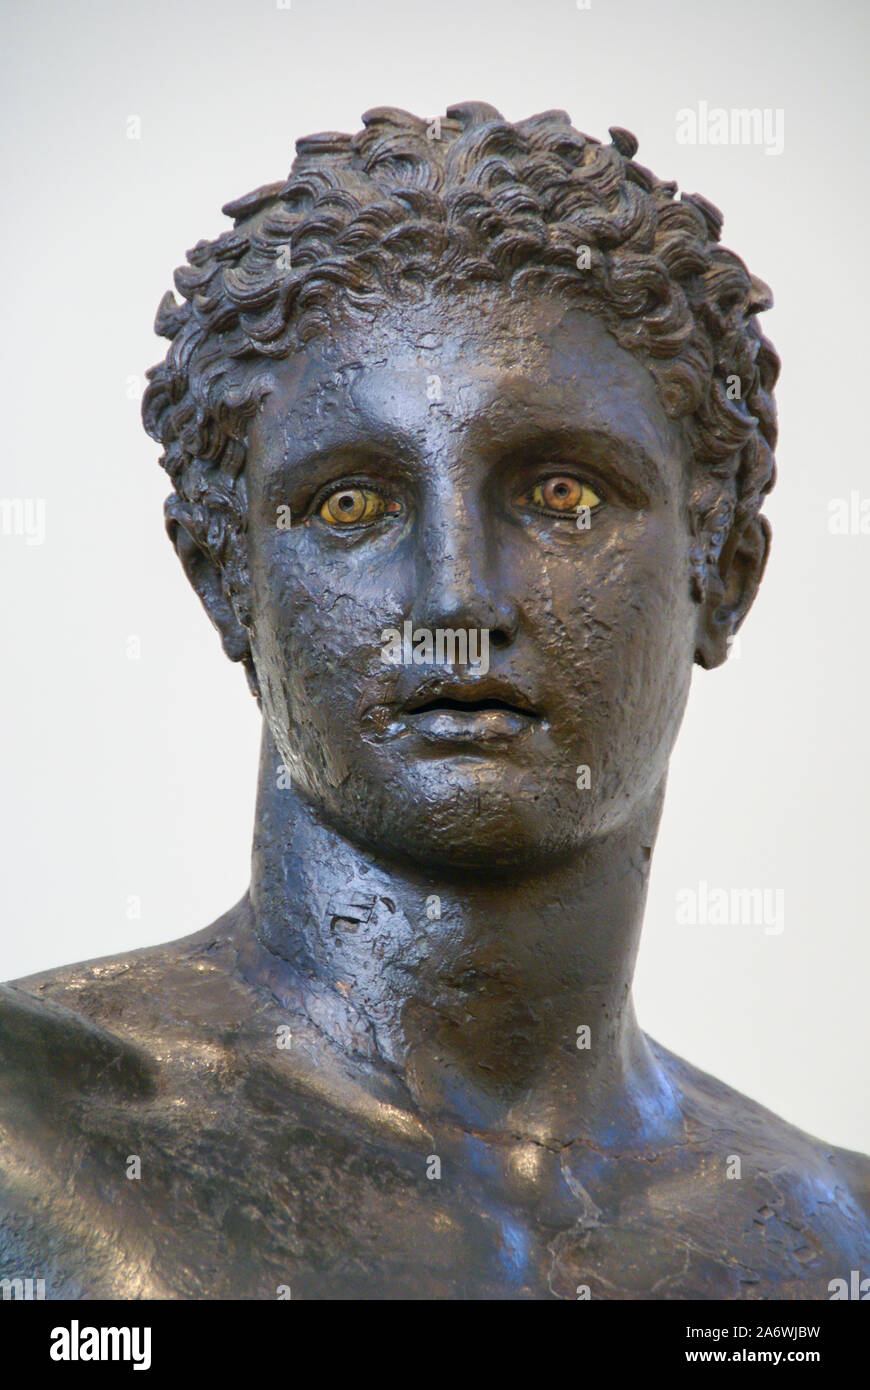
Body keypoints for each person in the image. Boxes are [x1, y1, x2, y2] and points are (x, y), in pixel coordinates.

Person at [2, 103, 867, 1299]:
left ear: (723, 572)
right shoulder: (22, 1134)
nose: (455, 600)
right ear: (225, 581)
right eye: (352, 505)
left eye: (561, 494)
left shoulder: (839, 1242)